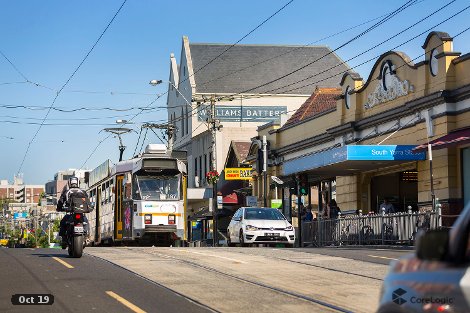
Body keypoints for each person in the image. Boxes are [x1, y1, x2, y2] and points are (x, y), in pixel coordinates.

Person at [57, 177, 92, 246]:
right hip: (81, 213)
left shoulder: (67, 192)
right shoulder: (83, 192)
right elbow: (88, 202)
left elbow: (61, 202)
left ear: (69, 183)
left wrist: (59, 208)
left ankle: (64, 239)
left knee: (63, 222)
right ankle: (87, 237)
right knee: (86, 222)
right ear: (78, 183)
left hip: (71, 214)